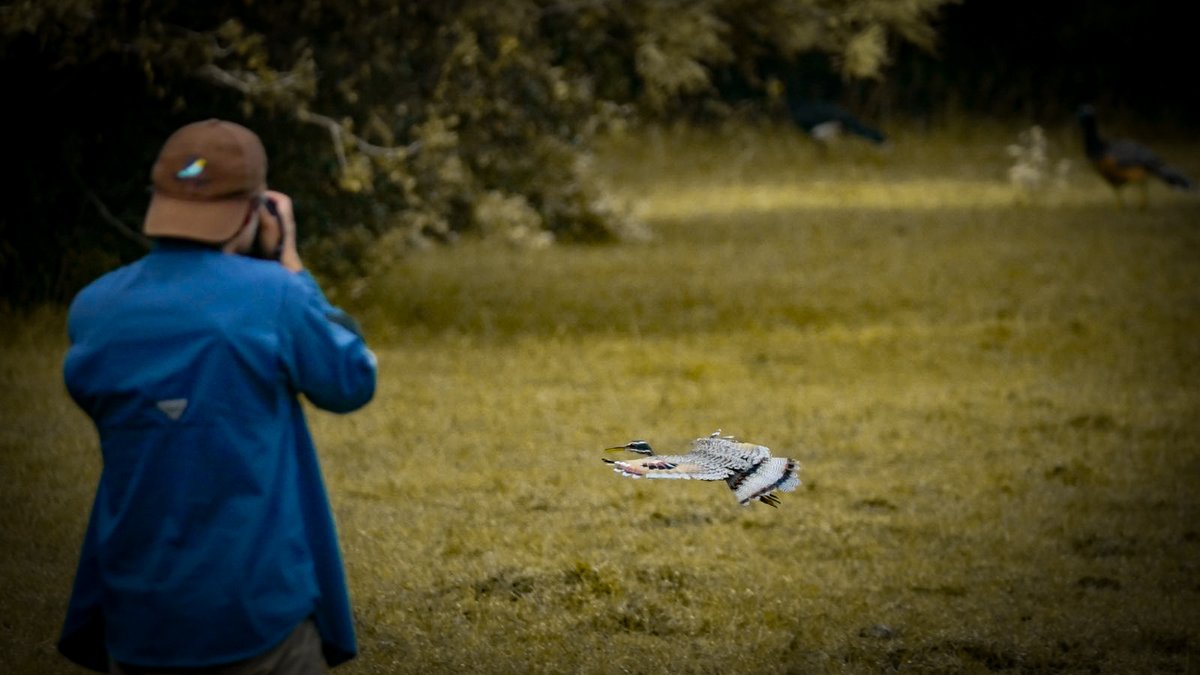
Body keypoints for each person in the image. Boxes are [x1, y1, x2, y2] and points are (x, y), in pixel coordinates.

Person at [58, 119, 377, 674]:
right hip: (256, 608)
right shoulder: (275, 296)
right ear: (256, 211)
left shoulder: (94, 309)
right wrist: (290, 259)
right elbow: (350, 380)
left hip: (138, 614)